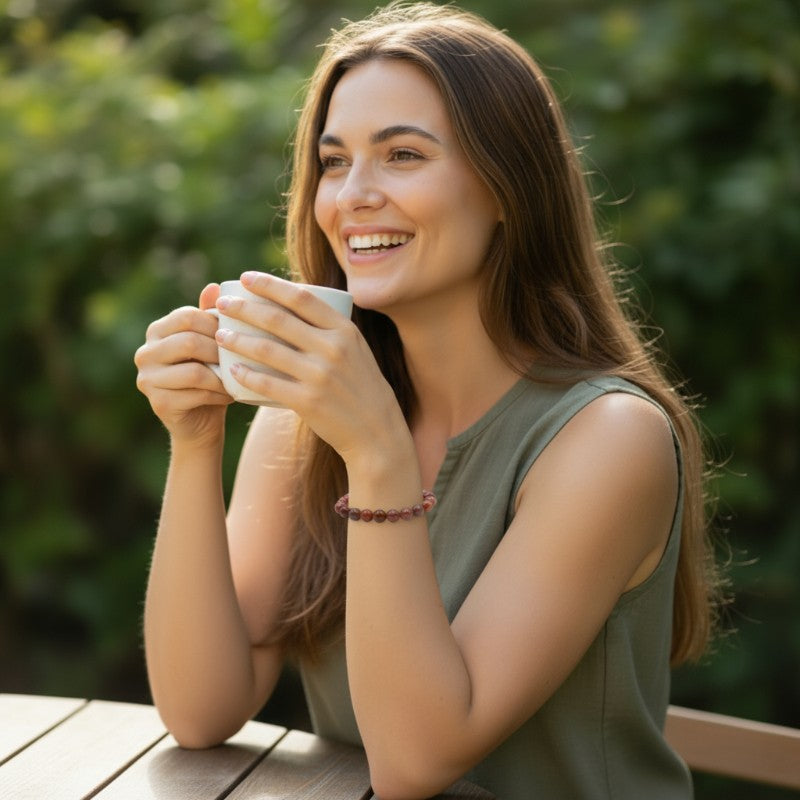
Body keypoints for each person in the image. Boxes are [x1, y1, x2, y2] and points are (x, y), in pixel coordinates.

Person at [134, 3, 724, 798]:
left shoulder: (607, 437)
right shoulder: (306, 418)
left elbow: (416, 762)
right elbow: (201, 709)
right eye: (334, 162)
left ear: (509, 188)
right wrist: (196, 441)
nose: (353, 197)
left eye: (403, 155)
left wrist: (377, 455)